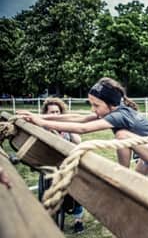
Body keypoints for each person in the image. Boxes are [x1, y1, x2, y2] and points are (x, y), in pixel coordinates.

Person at [18, 78, 148, 177]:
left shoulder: (119, 115)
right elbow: (79, 119)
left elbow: (83, 129)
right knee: (136, 182)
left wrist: (41, 123)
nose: (93, 109)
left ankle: (122, 173)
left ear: (110, 104)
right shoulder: (114, 110)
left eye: (96, 105)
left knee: (122, 136)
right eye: (91, 104)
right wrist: (39, 117)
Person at [39, 98, 87, 233]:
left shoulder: (67, 126)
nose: (55, 115)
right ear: (46, 113)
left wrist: (68, 126)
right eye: (51, 112)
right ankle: (50, 219)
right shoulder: (43, 127)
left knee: (75, 195)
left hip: (68, 164)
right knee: (48, 193)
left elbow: (78, 141)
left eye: (57, 112)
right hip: (51, 165)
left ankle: (78, 221)